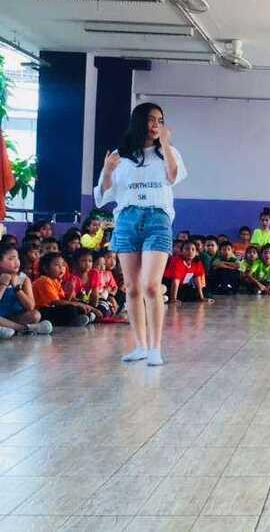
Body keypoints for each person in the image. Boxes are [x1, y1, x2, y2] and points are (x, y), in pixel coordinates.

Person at [95, 102, 186, 366]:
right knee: (133, 287)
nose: (156, 125)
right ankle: (140, 346)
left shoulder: (169, 152)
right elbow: (103, 195)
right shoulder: (120, 156)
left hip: (157, 218)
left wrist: (166, 144)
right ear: (139, 122)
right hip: (126, 219)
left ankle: (156, 348)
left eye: (160, 120)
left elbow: (173, 176)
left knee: (151, 285)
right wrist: (107, 171)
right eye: (151, 119)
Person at [0, 242, 52, 338]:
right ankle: (24, 329)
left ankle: (9, 328)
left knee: (35, 315)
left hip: (14, 317)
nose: (16, 262)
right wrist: (3, 285)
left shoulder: (24, 279)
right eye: (11, 259)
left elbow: (30, 306)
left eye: (17, 258)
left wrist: (16, 287)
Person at [32, 253, 95, 327]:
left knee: (80, 303)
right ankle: (74, 320)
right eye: (57, 265)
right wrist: (79, 304)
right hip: (43, 310)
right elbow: (56, 302)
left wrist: (70, 294)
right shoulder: (44, 281)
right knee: (71, 309)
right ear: (45, 268)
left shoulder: (56, 281)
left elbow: (65, 300)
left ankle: (79, 318)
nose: (61, 268)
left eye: (63, 265)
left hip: (54, 307)